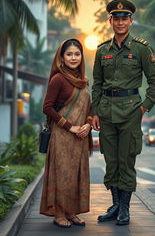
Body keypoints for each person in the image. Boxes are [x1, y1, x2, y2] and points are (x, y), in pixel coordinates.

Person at [92, 0, 155, 225]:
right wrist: (95, 111)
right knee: (110, 162)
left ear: (131, 21)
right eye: (116, 18)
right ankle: (114, 204)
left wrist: (144, 108)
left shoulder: (142, 48)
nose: (120, 22)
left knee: (126, 162)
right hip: (106, 112)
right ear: (110, 21)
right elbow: (97, 83)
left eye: (125, 18)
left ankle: (125, 208)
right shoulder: (102, 50)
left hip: (131, 111)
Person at [40, 38, 93, 228]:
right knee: (62, 174)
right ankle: (59, 213)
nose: (73, 57)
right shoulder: (58, 79)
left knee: (76, 174)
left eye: (77, 54)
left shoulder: (83, 82)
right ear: (61, 57)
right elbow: (47, 107)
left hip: (80, 137)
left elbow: (90, 108)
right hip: (63, 135)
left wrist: (87, 124)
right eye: (69, 54)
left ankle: (72, 212)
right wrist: (70, 126)